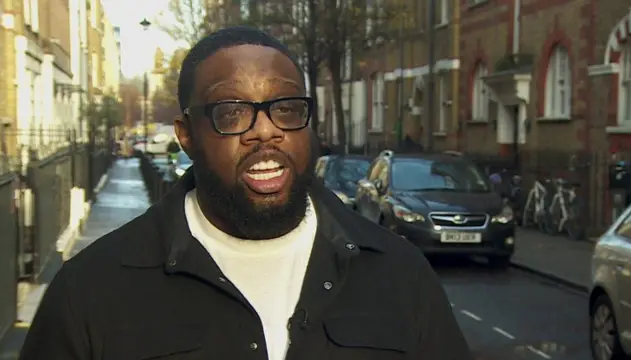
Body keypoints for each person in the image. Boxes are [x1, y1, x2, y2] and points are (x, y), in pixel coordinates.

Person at [19, 26, 471, 360]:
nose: (266, 131)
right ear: (186, 135)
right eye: (232, 113)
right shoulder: (91, 292)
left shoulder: (401, 274)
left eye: (287, 108)